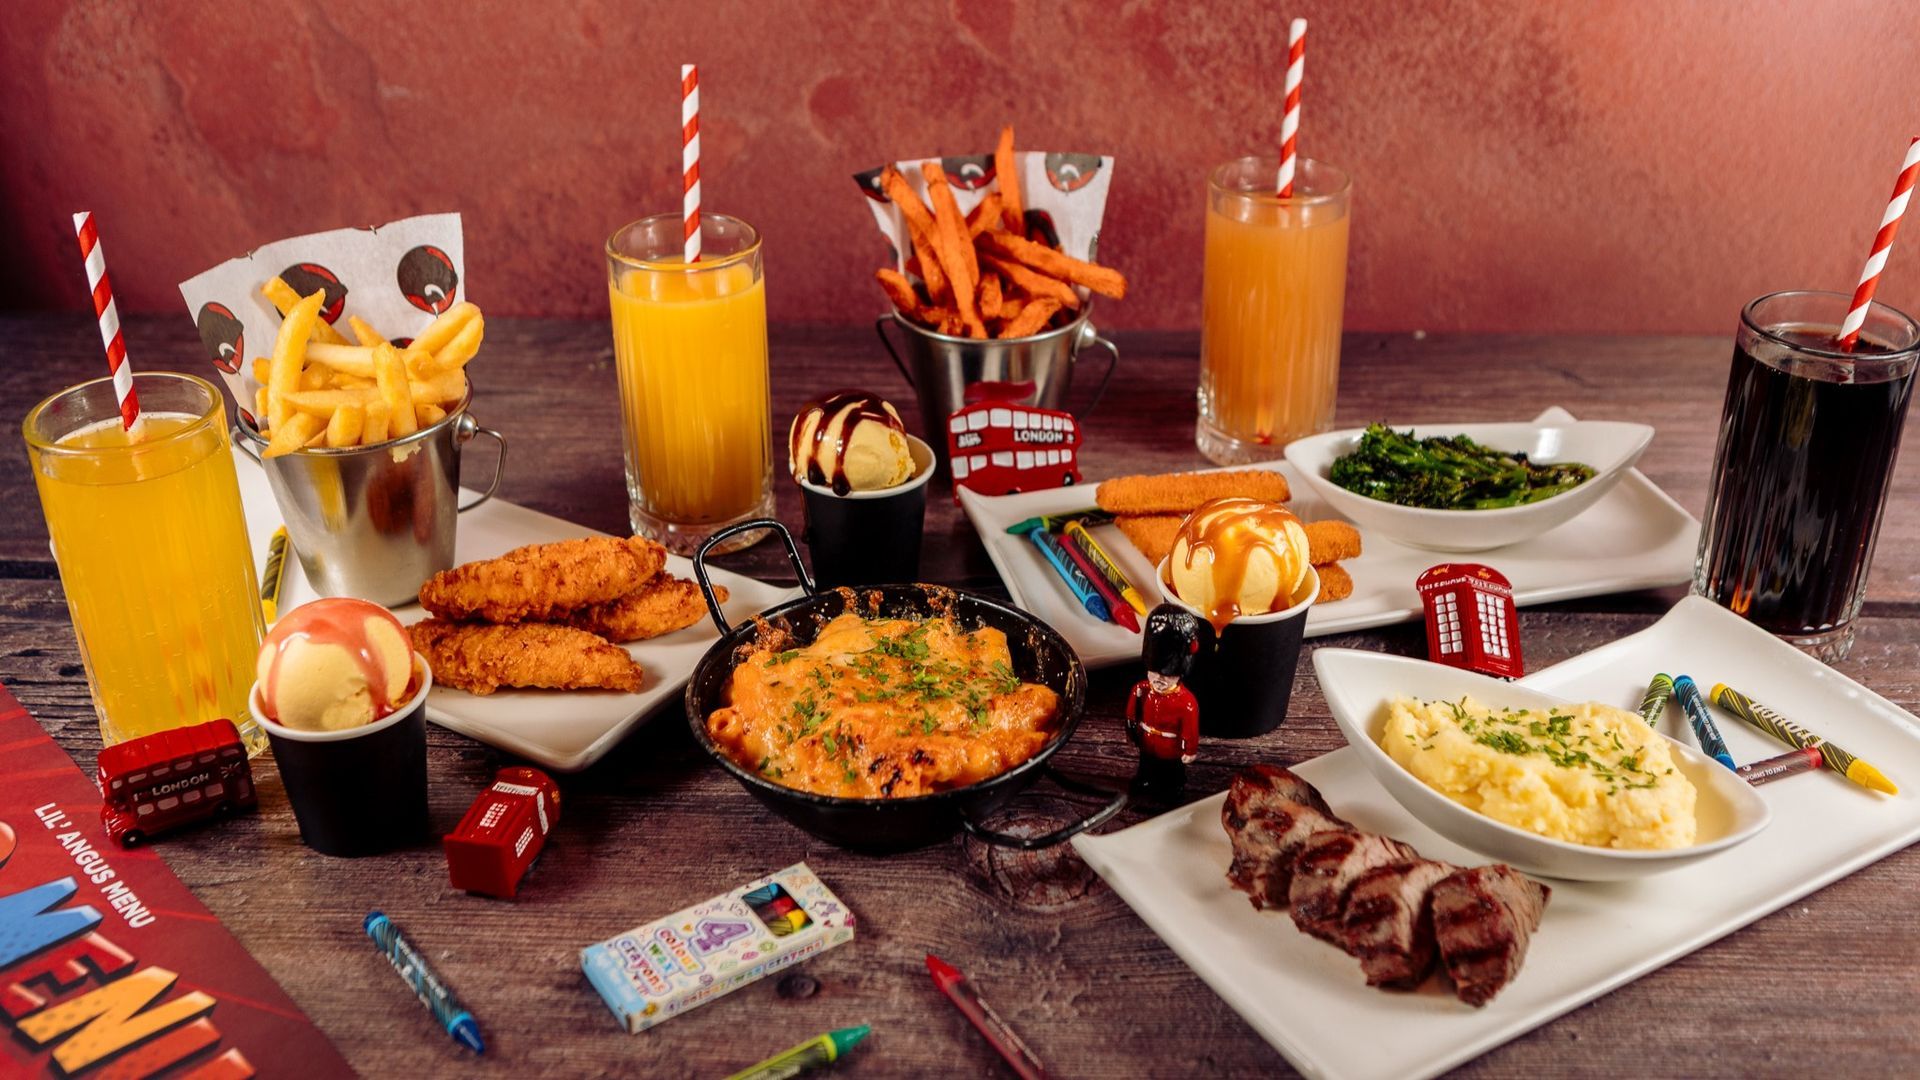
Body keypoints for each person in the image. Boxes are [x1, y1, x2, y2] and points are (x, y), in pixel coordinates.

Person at [1124, 605, 1205, 799]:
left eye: (1166, 676)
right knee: (1146, 764)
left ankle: (1172, 788)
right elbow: (1131, 713)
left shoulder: (1186, 702)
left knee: (1171, 771)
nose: (1159, 680)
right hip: (1147, 741)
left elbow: (1190, 729)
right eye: (1155, 674)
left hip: (1170, 747)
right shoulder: (1141, 690)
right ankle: (1144, 781)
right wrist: (1131, 731)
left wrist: (1189, 750)